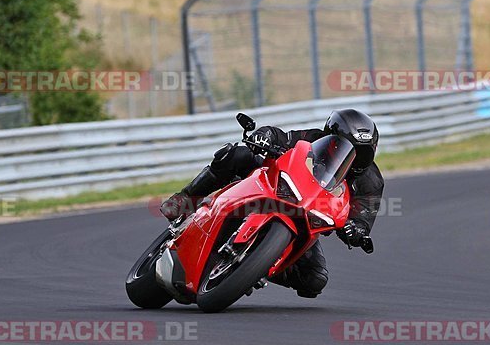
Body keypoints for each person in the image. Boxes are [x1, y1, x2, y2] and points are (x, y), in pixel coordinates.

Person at [159, 109, 384, 298]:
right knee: (237, 154)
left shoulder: (371, 182)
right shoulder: (313, 139)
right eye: (346, 147)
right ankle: (185, 199)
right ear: (330, 138)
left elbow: (363, 216)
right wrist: (264, 135)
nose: (355, 158)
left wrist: (356, 230)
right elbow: (282, 137)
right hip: (276, 186)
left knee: (314, 280)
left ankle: (256, 267)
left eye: (362, 153)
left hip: (305, 221)